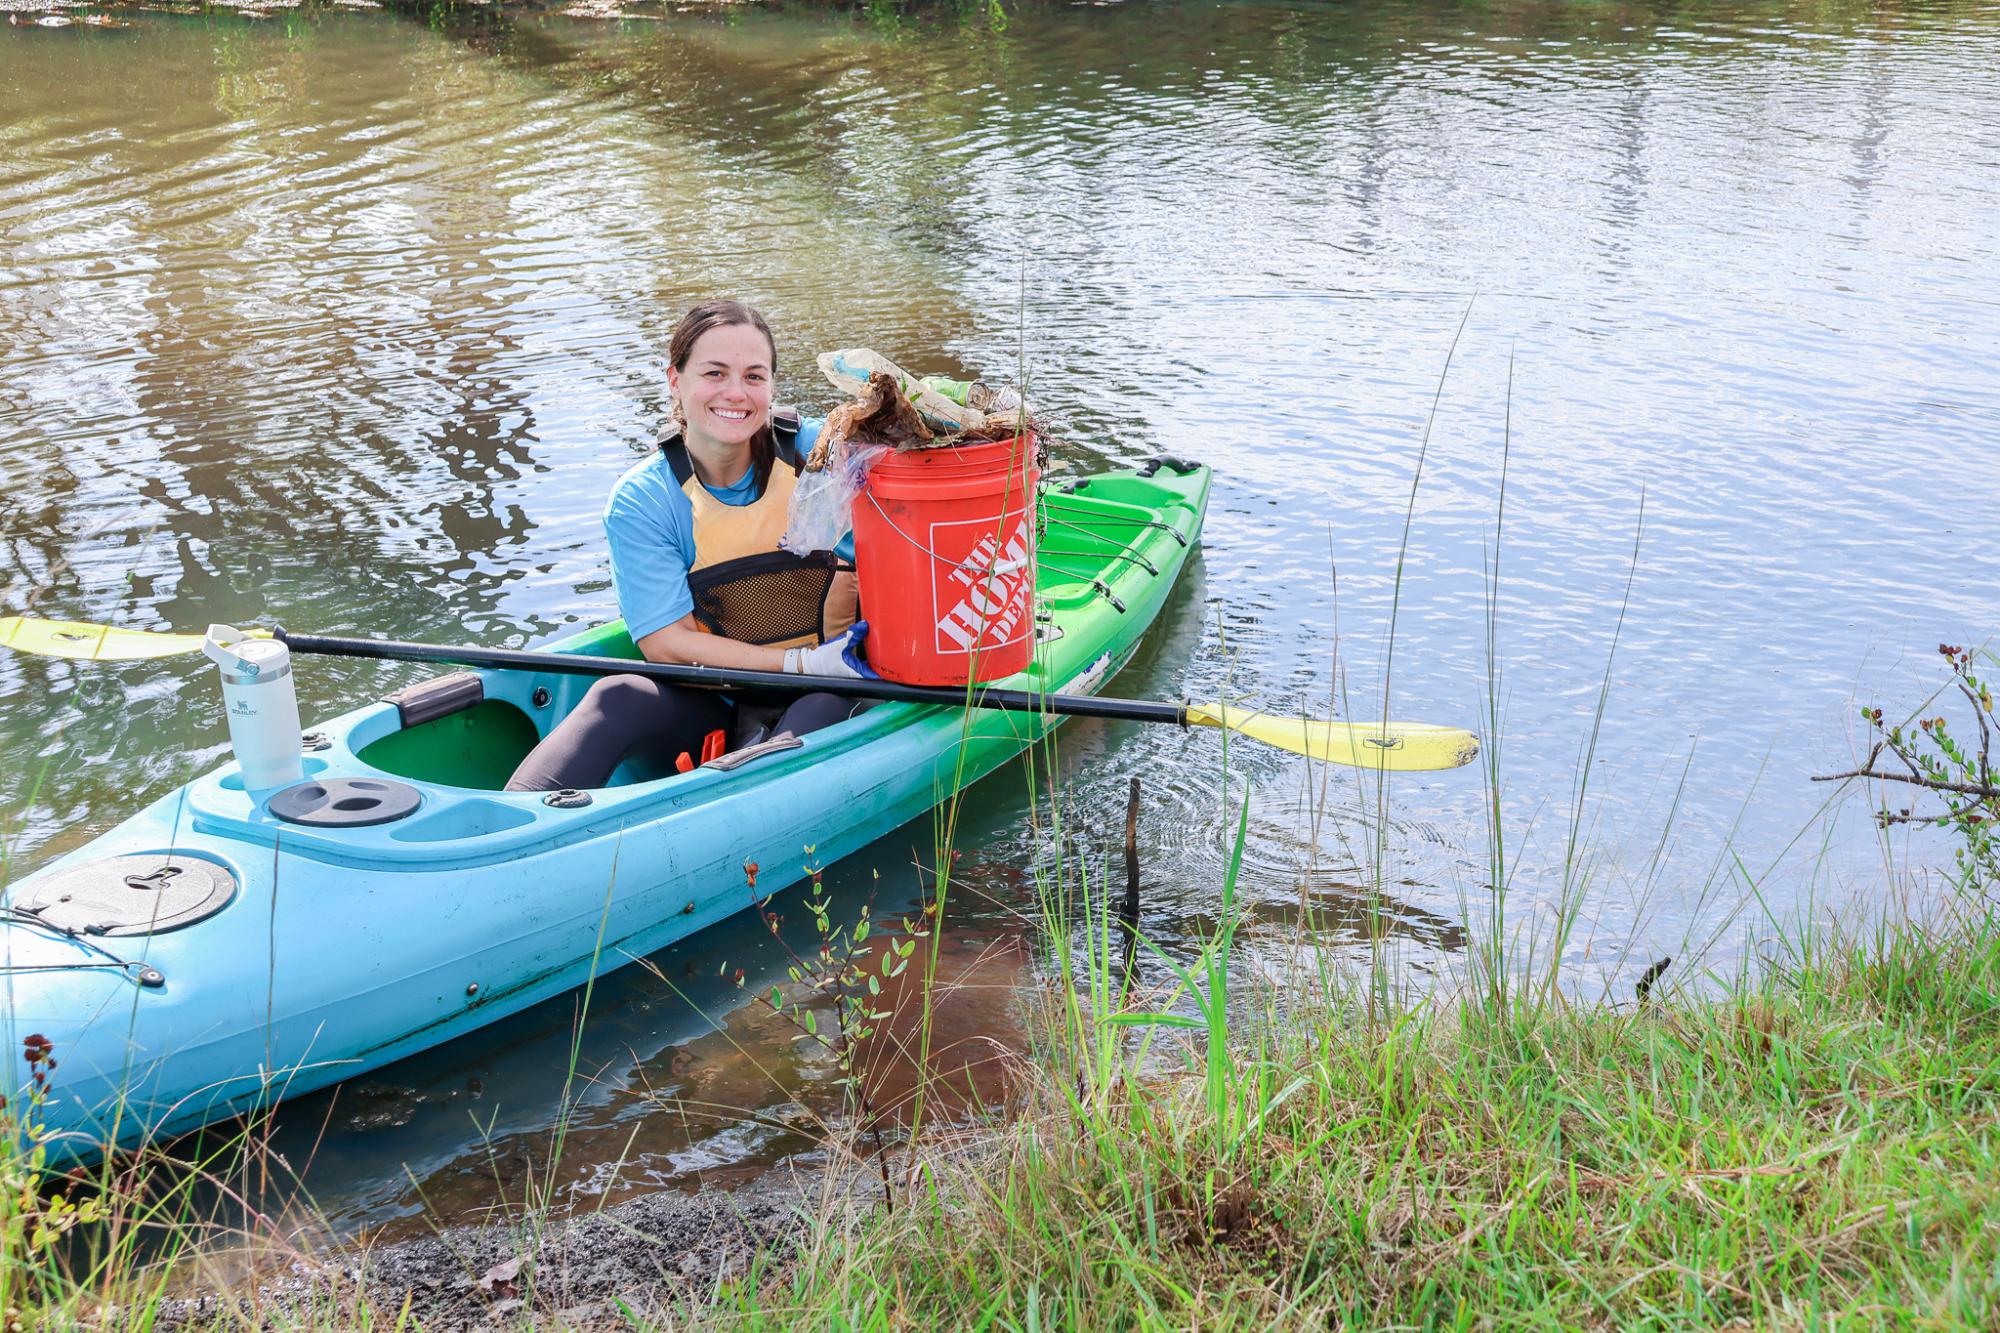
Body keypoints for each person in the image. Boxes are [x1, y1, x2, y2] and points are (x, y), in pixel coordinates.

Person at [506, 300, 873, 792]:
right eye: (715, 373)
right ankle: (511, 826)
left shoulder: (822, 452)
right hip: (713, 704)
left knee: (821, 705)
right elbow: (665, 643)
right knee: (618, 695)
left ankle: (747, 808)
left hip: (837, 686)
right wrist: (798, 664)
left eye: (754, 376)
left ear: (772, 386)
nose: (736, 393)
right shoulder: (646, 498)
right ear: (675, 380)